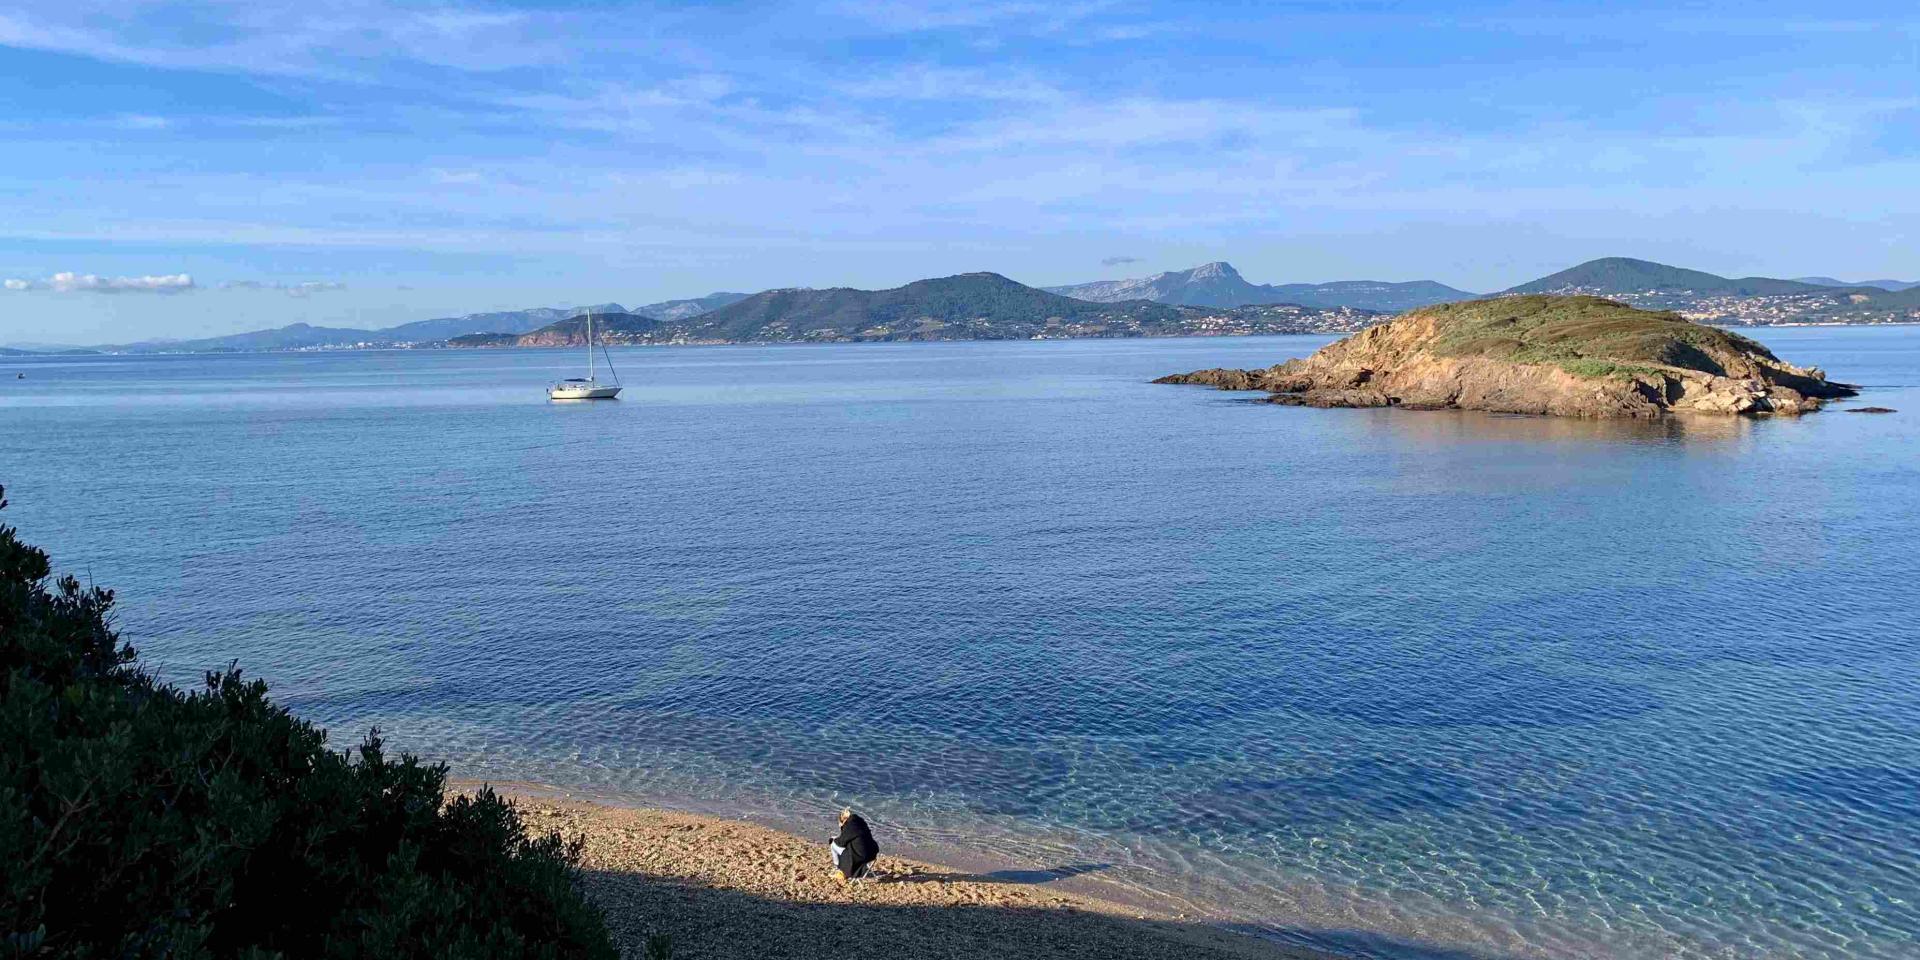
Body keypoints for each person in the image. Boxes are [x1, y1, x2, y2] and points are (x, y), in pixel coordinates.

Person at [828, 808, 879, 882]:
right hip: (872, 853)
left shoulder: (849, 826)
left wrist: (833, 840)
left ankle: (839, 870)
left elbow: (841, 842)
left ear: (843, 820)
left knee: (833, 844)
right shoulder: (860, 822)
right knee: (837, 841)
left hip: (861, 856)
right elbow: (850, 838)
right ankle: (840, 869)